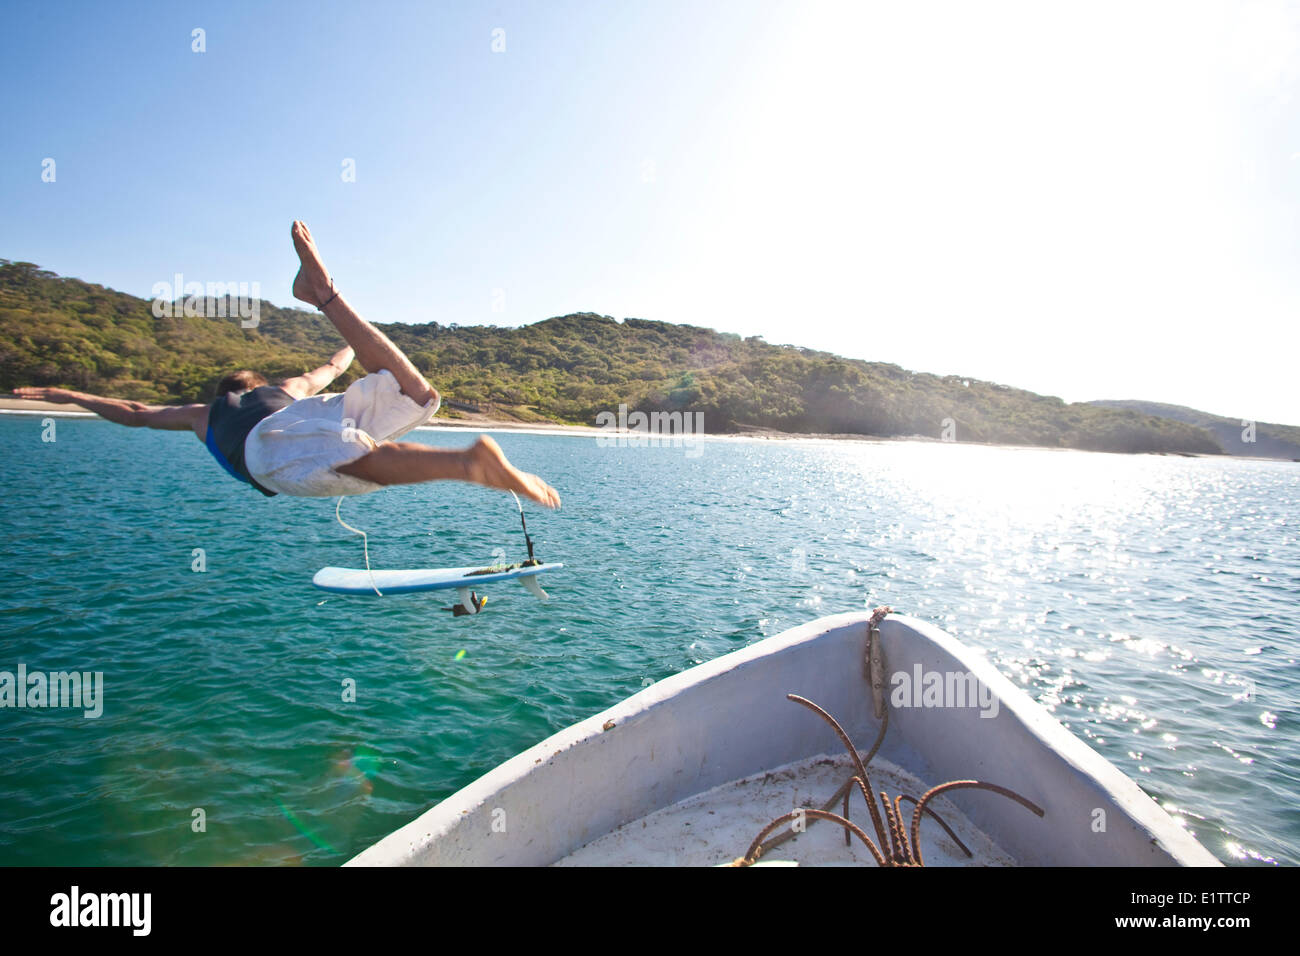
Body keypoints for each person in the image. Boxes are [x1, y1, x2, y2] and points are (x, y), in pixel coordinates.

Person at [15, 222, 561, 509]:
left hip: (263, 449)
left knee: (347, 463)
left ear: (227, 389)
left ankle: (465, 465)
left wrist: (67, 395)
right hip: (319, 412)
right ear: (255, 382)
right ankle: (323, 294)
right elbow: (333, 364)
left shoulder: (203, 414)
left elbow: (134, 412)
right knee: (411, 396)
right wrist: (346, 335)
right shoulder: (289, 387)